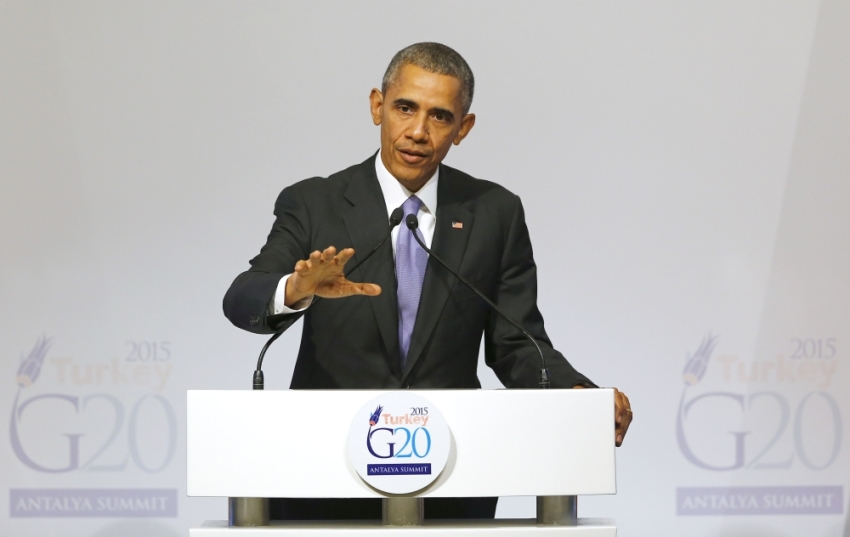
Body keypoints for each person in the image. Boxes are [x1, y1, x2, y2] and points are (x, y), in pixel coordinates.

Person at [224, 42, 632, 520]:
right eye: (405, 108)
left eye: (439, 116)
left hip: (452, 478)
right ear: (377, 106)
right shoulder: (315, 203)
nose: (418, 131)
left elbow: (518, 344)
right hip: (325, 473)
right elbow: (242, 299)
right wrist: (296, 289)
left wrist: (576, 395)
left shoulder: (494, 213)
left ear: (463, 128)